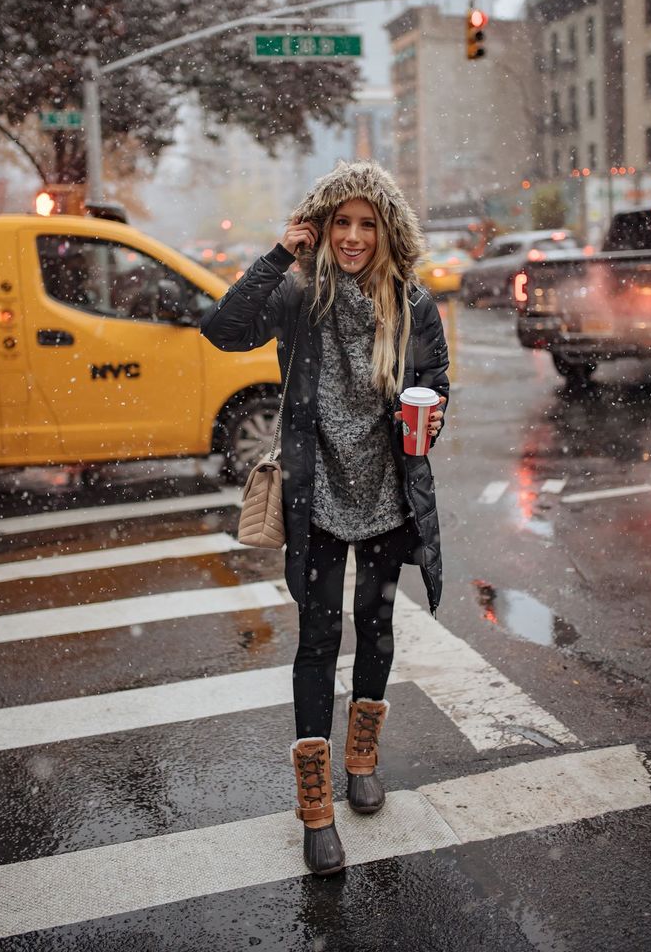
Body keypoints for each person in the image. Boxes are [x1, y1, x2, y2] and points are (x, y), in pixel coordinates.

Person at [201, 161, 449, 877]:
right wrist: (282, 253)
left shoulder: (413, 306)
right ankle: (315, 807)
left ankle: (362, 758)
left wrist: (428, 423)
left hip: (385, 490)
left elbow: (435, 385)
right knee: (318, 637)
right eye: (340, 222)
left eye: (366, 223)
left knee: (376, 625)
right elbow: (223, 328)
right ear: (322, 227)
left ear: (386, 230)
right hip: (317, 494)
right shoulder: (298, 295)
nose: (352, 236)